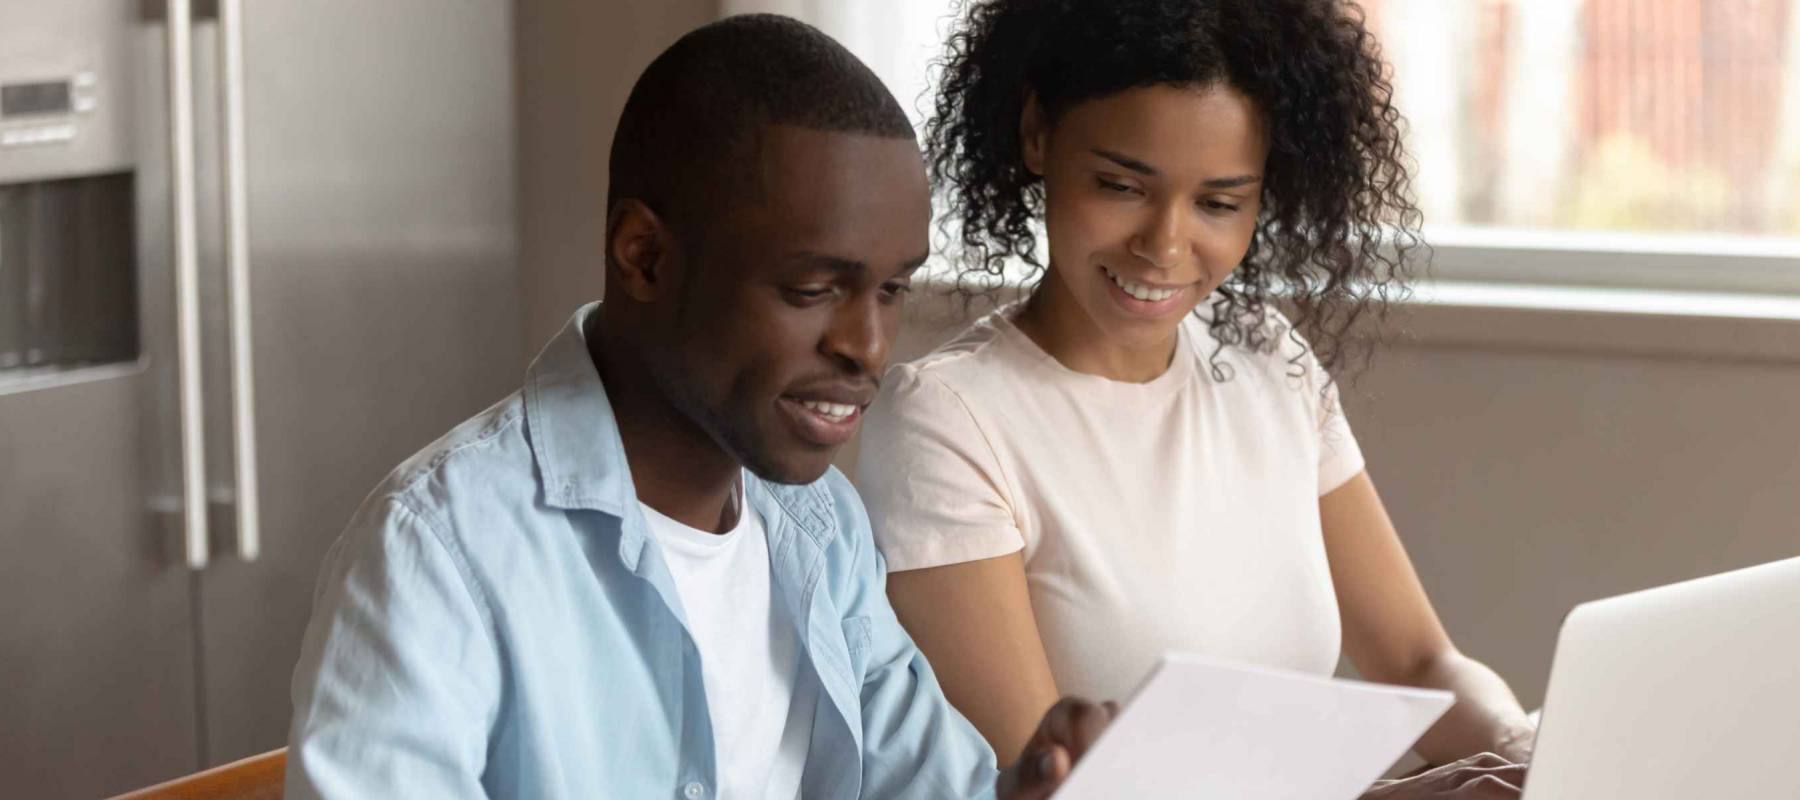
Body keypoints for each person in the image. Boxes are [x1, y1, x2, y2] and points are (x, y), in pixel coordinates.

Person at [284, 15, 1114, 799]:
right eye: (813, 288)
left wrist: (1033, 785)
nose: (868, 345)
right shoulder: (440, 552)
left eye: (890, 289)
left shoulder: (820, 526)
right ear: (644, 257)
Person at [854, 0, 1534, 796]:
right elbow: (1057, 787)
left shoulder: (1266, 356)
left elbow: (1422, 661)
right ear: (1038, 133)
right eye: (1120, 185)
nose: (1166, 247)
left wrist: (1524, 748)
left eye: (1219, 202)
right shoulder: (947, 420)